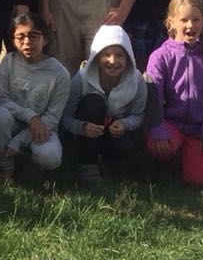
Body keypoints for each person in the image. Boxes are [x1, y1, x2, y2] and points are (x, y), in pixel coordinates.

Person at [143, 0, 203, 188]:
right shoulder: (160, 56)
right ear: (171, 22)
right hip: (170, 124)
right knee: (158, 146)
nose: (190, 25)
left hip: (199, 128)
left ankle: (194, 158)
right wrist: (158, 127)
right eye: (184, 20)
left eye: (196, 20)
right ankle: (168, 160)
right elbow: (153, 95)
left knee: (199, 180)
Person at [60, 25, 150, 186]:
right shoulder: (81, 78)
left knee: (126, 146)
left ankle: (109, 163)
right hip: (85, 132)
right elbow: (65, 115)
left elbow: (139, 115)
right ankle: (87, 165)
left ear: (128, 58)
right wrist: (82, 127)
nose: (113, 61)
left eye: (119, 55)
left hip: (115, 133)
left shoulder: (137, 80)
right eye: (106, 55)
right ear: (96, 57)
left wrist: (124, 124)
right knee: (93, 102)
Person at [0, 12, 68, 182]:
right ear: (13, 41)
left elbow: (53, 117)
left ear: (45, 39)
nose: (27, 42)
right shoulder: (8, 61)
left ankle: (30, 163)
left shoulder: (60, 74)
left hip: (43, 127)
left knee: (50, 158)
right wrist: (30, 117)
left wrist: (19, 140)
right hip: (13, 121)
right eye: (20, 37)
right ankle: (6, 167)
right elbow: (3, 99)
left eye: (33, 36)